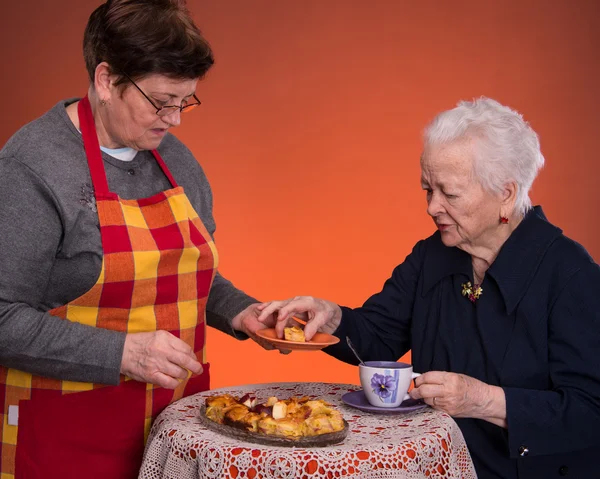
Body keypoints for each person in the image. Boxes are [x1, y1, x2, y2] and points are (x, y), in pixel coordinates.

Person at [255, 98, 600, 478]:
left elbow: (590, 411)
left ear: (505, 192)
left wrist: (483, 401)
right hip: (432, 467)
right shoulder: (431, 255)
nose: (432, 207)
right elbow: (378, 340)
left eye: (449, 194)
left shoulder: (570, 274)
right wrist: (332, 317)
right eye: (427, 190)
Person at [0, 1, 274, 477]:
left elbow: (186, 276)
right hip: (67, 439)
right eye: (161, 101)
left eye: (185, 101)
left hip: (173, 437)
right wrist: (124, 353)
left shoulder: (177, 160)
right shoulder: (32, 168)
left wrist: (245, 313)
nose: (175, 119)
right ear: (107, 80)